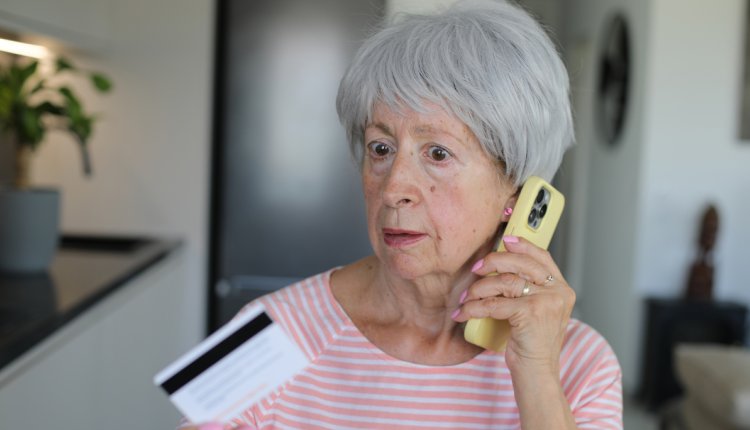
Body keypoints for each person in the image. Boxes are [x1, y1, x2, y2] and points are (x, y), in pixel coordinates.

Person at [186, 0, 622, 428]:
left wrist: (537, 373)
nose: (393, 189)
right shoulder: (263, 330)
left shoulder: (581, 364)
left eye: (437, 153)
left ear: (519, 191)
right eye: (381, 148)